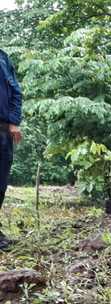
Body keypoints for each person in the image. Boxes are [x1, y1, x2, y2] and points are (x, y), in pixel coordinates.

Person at [0, 48, 23, 252]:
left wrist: (14, 122)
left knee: (0, 183)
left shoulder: (3, 57)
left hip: (2, 129)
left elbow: (16, 91)